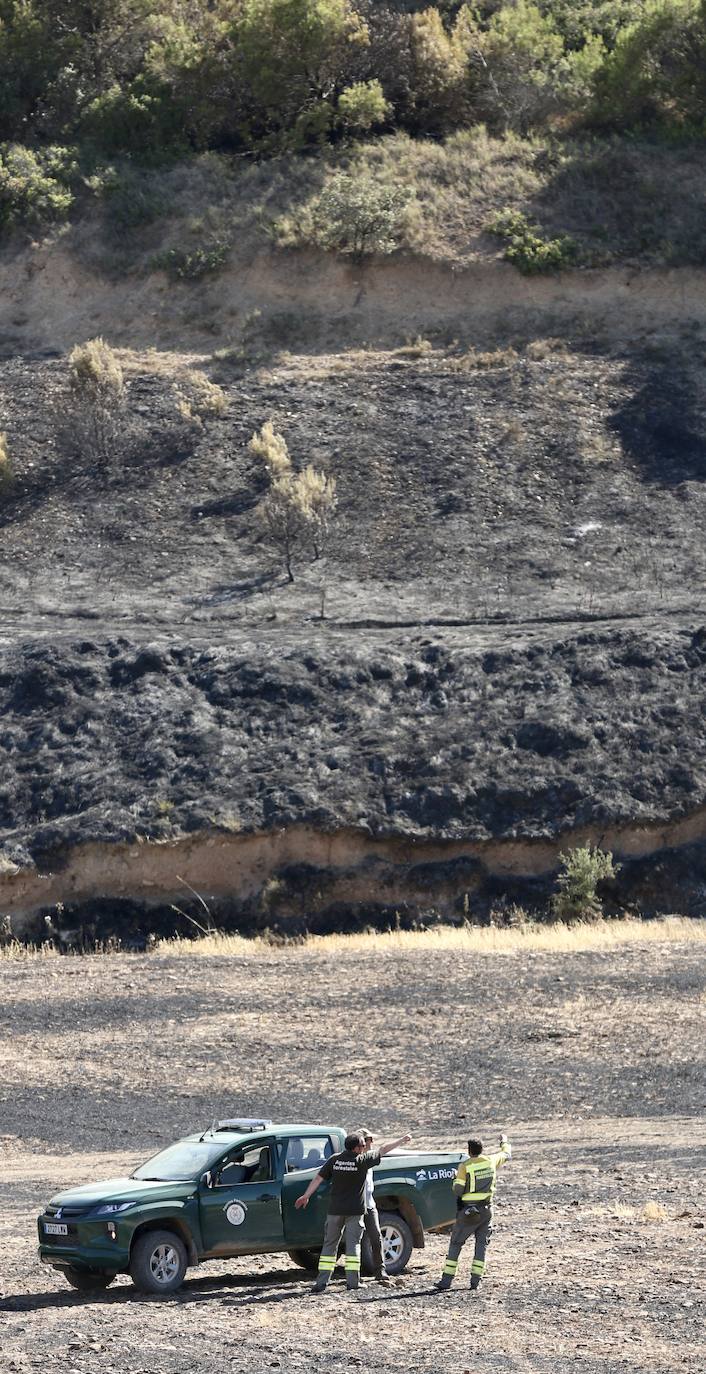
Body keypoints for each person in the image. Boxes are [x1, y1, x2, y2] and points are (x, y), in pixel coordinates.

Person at [295, 1128, 411, 1293]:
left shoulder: (335, 1160)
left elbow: (319, 1178)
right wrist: (401, 1140)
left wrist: (306, 1195)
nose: (365, 1147)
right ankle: (353, 1282)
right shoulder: (362, 1161)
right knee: (353, 1246)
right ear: (356, 1148)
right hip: (355, 1212)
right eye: (363, 1145)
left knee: (329, 1246)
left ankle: (321, 1283)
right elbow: (384, 1149)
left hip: (335, 1211)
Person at [435, 1133, 512, 1293]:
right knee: (481, 1246)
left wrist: (455, 1180)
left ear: (469, 1151)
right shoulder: (491, 1160)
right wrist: (504, 1141)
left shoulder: (465, 1166)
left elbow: (458, 1190)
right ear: (482, 1149)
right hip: (487, 1210)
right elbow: (506, 1153)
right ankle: (475, 1282)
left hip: (469, 1212)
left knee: (456, 1244)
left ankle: (446, 1280)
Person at [358, 1127, 391, 1285]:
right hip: (355, 1207)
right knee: (353, 1241)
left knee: (376, 1238)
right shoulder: (357, 1160)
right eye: (370, 1140)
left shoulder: (369, 1159)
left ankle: (380, 1270)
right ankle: (353, 1274)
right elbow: (383, 1150)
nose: (372, 1143)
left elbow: (382, 1151)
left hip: (370, 1205)